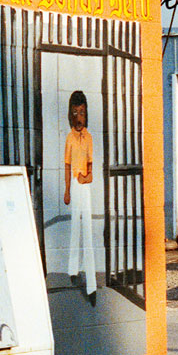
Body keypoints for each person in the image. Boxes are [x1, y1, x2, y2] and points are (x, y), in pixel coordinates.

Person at [63, 90, 96, 298]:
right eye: (75, 113)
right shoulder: (70, 138)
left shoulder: (89, 137)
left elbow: (91, 164)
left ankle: (91, 283)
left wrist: (88, 177)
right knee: (76, 224)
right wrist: (67, 190)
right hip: (75, 184)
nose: (78, 118)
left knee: (87, 228)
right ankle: (73, 269)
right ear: (70, 115)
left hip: (85, 183)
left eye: (82, 113)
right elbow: (67, 166)